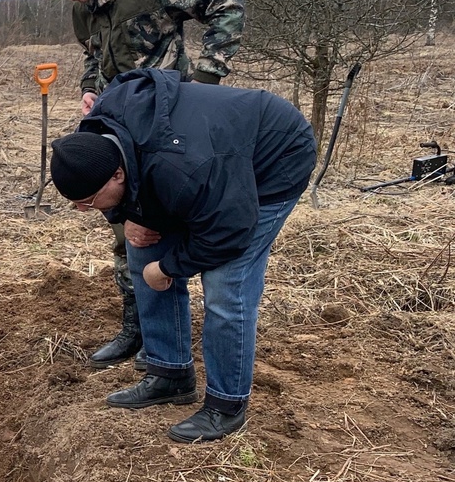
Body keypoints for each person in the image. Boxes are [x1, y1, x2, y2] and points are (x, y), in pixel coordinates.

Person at [49, 68, 316, 443]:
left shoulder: (183, 169)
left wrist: (172, 266)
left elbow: (229, 231)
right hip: (203, 156)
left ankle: (226, 406)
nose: (86, 210)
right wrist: (122, 215)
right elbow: (132, 178)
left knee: (226, 282)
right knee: (142, 253)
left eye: (89, 203)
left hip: (272, 156)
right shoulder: (98, 134)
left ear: (117, 176)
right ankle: (170, 374)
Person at [39, 0, 244, 369]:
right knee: (128, 230)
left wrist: (206, 80)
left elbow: (226, 5)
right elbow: (94, 59)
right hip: (118, 130)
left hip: (170, 128)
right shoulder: (84, 12)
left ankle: (180, 337)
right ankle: (140, 330)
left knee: (175, 220)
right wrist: (91, 90)